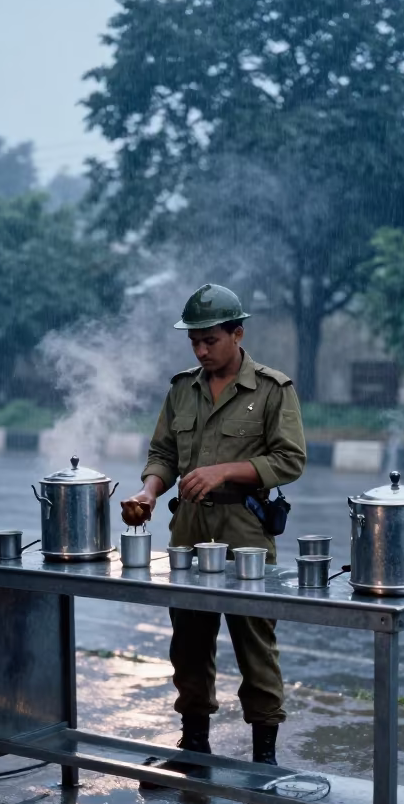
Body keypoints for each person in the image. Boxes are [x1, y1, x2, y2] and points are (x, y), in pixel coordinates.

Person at [121, 283, 307, 767]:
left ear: (237, 334)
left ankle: (264, 758)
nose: (202, 351)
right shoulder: (183, 389)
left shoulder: (272, 389)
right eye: (194, 343)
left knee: (255, 644)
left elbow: (290, 459)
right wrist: (148, 491)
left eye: (211, 341)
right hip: (189, 531)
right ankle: (194, 747)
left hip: (245, 531)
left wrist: (225, 471)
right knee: (189, 642)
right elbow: (163, 453)